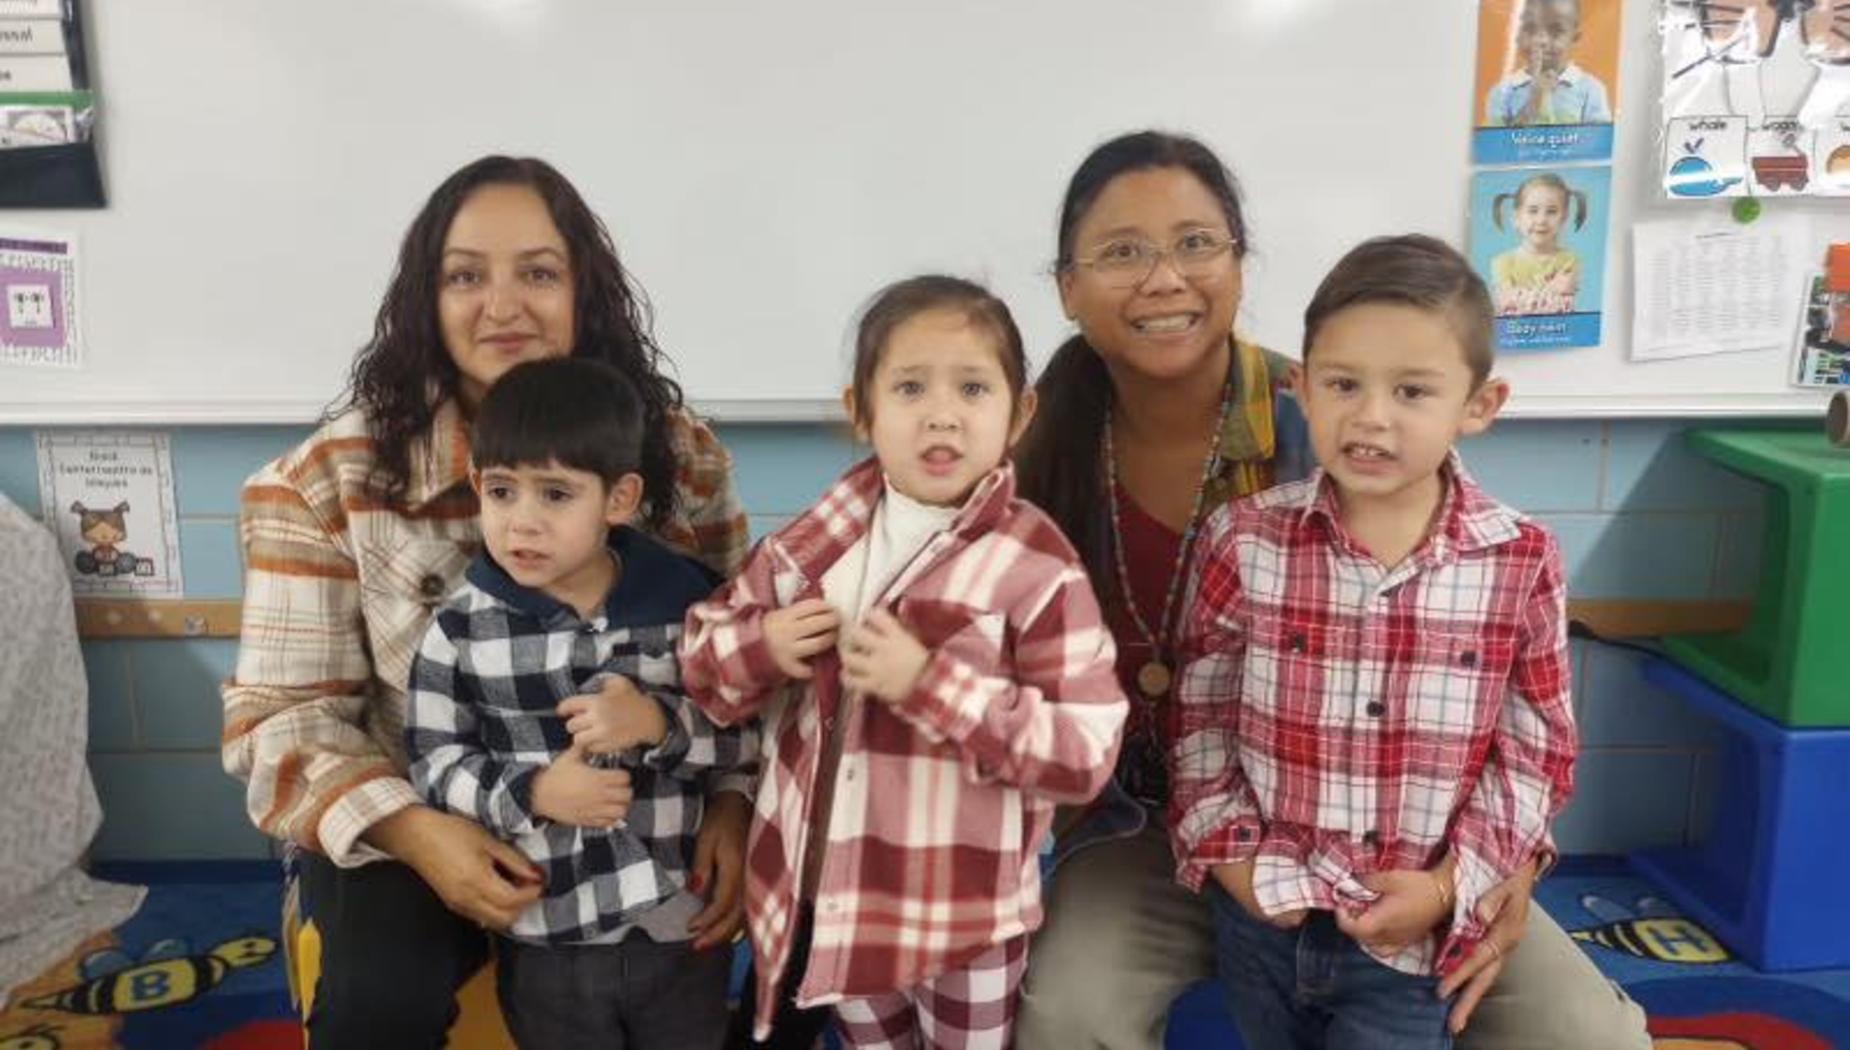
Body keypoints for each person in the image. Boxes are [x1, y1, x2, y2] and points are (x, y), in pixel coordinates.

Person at [1010, 130, 1648, 1050]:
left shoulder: (1336, 410)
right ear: (1067, 285)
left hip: (1409, 846)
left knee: (1589, 1035)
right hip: (1153, 834)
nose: (1163, 278)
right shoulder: (1033, 445)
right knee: (1071, 1011)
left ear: (1238, 262)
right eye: (1121, 251)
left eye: (1196, 242)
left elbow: (1518, 720)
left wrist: (1496, 876)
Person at [221, 155, 754, 1050]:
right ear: (425, 299)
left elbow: (742, 666)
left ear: (586, 291)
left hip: (644, 810)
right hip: (416, 814)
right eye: (466, 276)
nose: (502, 306)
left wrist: (737, 809)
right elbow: (281, 723)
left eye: (539, 273)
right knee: (379, 1000)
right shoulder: (323, 483)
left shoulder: (677, 458)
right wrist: (419, 831)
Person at [680, 275, 1129, 1048]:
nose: (942, 414)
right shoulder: (813, 544)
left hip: (966, 922)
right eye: (911, 387)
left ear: (1019, 413)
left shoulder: (1036, 567)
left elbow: (1083, 756)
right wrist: (766, 645)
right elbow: (702, 657)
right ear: (862, 409)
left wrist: (930, 686)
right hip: (841, 906)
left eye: (973, 388)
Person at [1171, 234, 1578, 1050]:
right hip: (1265, 911)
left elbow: (1536, 754)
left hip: (1412, 936)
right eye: (1343, 384)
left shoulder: (1520, 558)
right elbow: (1198, 719)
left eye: (1413, 391)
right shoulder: (1243, 539)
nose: (1371, 416)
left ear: (1479, 405)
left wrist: (1451, 886)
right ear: (1301, 389)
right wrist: (1235, 865)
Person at [405, 357, 759, 1049]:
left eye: (556, 495)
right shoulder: (458, 628)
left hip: (677, 919)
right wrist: (534, 791)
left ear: (619, 499)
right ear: (477, 486)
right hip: (548, 930)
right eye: (502, 492)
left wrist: (661, 724)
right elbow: (435, 762)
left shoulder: (689, 607)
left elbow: (748, 735)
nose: (523, 523)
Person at [1484, 0, 1614, 128]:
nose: (1541, 40)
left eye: (1556, 31)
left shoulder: (1591, 90)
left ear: (1575, 38)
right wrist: (1534, 100)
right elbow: (1497, 144)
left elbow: (1598, 143)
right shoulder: (1502, 92)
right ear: (1516, 34)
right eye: (1530, 28)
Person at [1489, 173, 1587, 317]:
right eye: (1533, 211)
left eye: (1552, 212)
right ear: (1516, 218)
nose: (1541, 220)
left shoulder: (1570, 260)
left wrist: (1525, 297)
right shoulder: (1503, 262)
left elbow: (1563, 302)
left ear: (1564, 218)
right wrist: (1551, 289)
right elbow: (1508, 303)